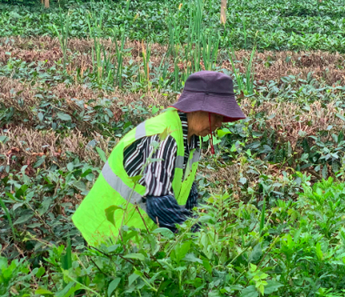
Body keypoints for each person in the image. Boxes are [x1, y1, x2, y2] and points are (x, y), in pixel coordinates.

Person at [73, 71, 246, 246]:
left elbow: (187, 192)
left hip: (136, 240)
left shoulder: (191, 140)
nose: (218, 124)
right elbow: (159, 204)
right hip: (107, 234)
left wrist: (198, 226)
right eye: (216, 115)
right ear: (197, 107)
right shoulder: (163, 137)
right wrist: (199, 238)